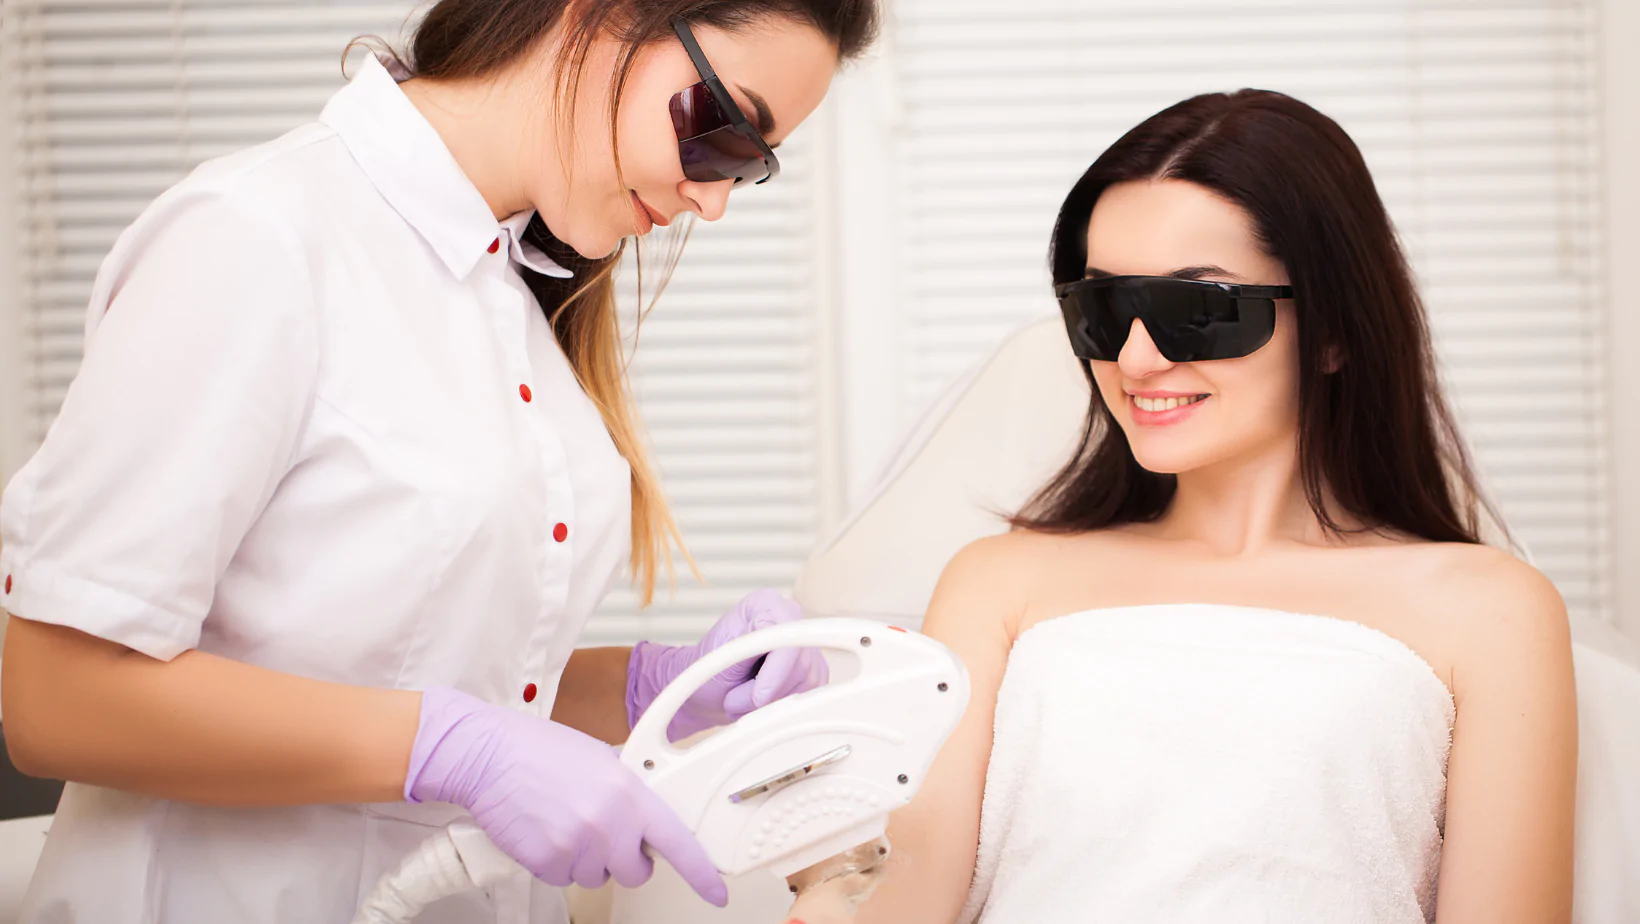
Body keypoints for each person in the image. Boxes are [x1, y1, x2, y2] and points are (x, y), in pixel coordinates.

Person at [0, 1, 876, 922]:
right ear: (603, 17)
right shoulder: (260, 234)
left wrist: (660, 688)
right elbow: (58, 697)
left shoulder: (512, 292)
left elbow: (441, 676)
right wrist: (451, 747)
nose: (714, 197)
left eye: (752, 168)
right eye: (724, 134)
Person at [803, 90, 1577, 924]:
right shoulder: (998, 583)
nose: (1137, 357)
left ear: (1332, 330)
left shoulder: (1489, 609)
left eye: (1198, 310)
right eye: (1104, 309)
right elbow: (906, 897)